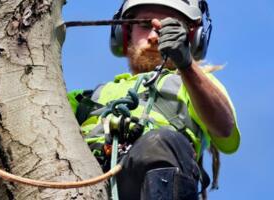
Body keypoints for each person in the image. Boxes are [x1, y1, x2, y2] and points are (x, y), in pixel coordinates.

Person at [67, 0, 240, 199]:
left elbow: (225, 129)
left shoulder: (195, 84)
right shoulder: (84, 99)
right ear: (125, 33)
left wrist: (186, 65)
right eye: (145, 25)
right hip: (82, 179)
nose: (154, 37)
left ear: (192, 38)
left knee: (159, 142)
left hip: (151, 180)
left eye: (170, 28)